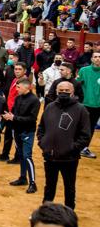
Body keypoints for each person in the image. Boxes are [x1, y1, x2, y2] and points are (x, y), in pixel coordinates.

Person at [38, 81, 91, 210]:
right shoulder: (50, 107)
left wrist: (72, 148)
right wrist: (43, 143)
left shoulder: (80, 110)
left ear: (72, 92)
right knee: (49, 186)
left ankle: (69, 212)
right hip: (50, 156)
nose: (64, 93)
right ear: (56, 91)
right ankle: (45, 212)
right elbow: (41, 128)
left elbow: (85, 135)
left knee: (69, 187)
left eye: (67, 91)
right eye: (61, 90)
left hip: (69, 158)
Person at [3, 77, 41, 194]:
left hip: (27, 131)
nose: (17, 89)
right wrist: (9, 116)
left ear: (27, 87)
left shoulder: (35, 101)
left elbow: (32, 119)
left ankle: (33, 183)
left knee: (27, 156)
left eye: (18, 87)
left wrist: (14, 117)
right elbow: (14, 112)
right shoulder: (18, 98)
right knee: (21, 155)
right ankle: (23, 178)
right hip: (17, 130)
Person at [76, 51, 100, 159]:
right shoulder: (84, 71)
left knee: (91, 128)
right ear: (91, 59)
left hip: (98, 105)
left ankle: (84, 148)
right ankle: (76, 146)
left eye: (99, 57)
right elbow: (77, 85)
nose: (97, 59)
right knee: (80, 126)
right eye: (95, 57)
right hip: (84, 104)